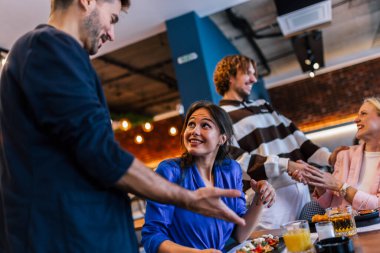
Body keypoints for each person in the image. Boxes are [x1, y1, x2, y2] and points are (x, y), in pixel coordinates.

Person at [0, 1, 245, 252]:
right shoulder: (48, 46)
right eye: (113, 19)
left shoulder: (51, 53)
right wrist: (188, 198)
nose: (112, 33)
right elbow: (101, 153)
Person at [213, 55, 343, 229]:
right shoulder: (221, 117)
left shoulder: (264, 105)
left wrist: (329, 158)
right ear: (229, 76)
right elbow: (238, 162)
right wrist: (285, 165)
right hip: (269, 203)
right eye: (247, 73)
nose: (254, 79)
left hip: (301, 192)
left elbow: (298, 140)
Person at [141, 101, 275, 253]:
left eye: (205, 125)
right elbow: (152, 237)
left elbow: (239, 234)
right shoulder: (170, 172)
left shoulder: (231, 170)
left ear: (222, 138)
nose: (194, 131)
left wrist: (259, 197)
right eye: (191, 124)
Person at [305, 97, 380, 210]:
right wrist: (318, 180)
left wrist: (340, 186)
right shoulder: (344, 155)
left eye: (363, 114)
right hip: (344, 226)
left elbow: (378, 206)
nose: (355, 120)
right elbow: (327, 204)